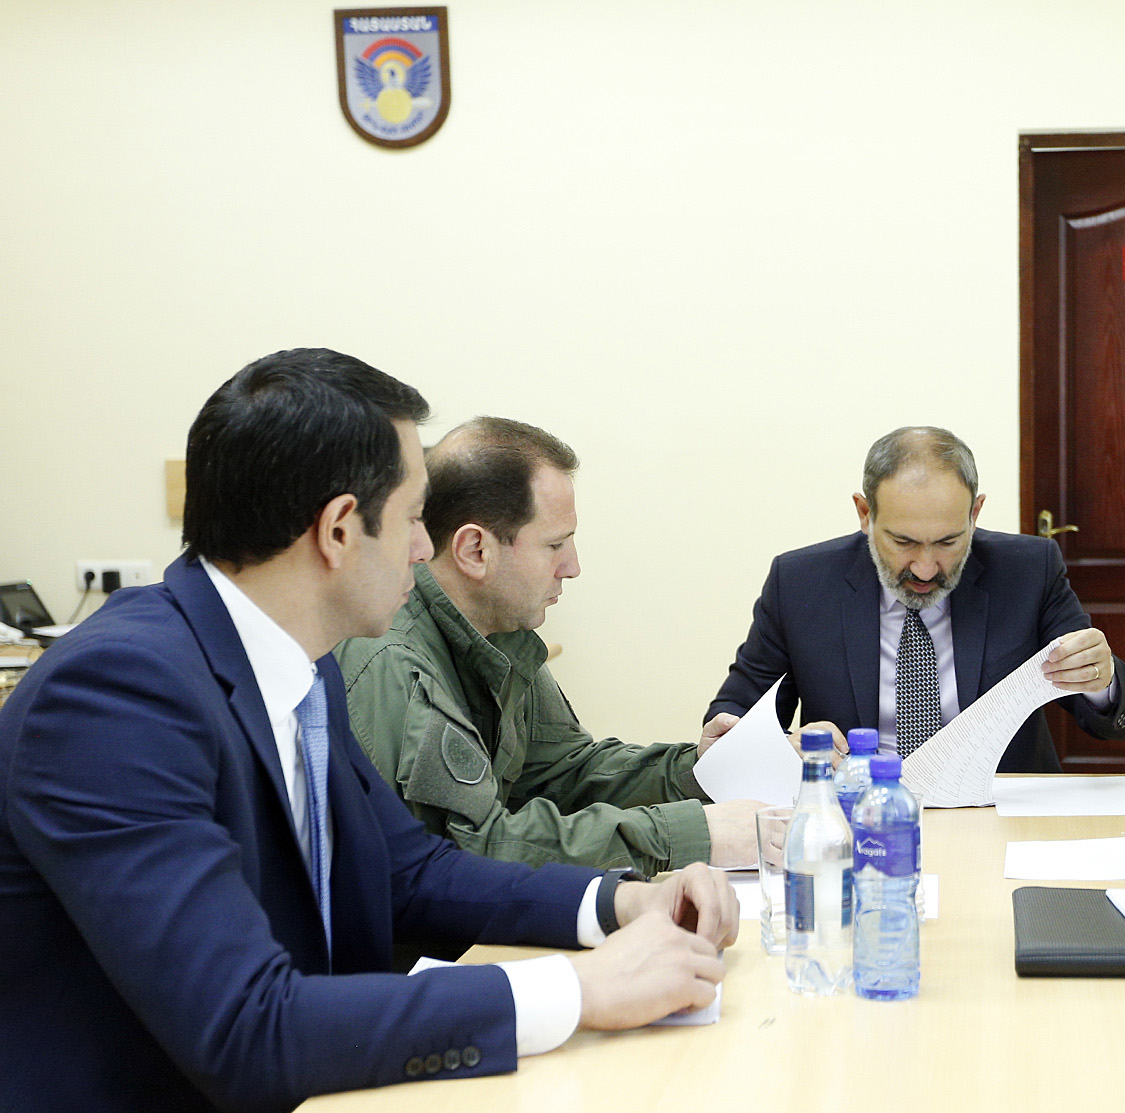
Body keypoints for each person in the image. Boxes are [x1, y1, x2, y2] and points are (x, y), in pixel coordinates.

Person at [0, 350, 739, 1113]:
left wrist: (622, 901)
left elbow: (411, 871)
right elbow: (247, 1027)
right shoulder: (115, 696)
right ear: (338, 530)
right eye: (415, 517)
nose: (424, 548)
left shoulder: (303, 663)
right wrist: (578, 988)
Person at [336, 416, 763, 874]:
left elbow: (563, 774)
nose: (573, 567)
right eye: (555, 545)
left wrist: (693, 768)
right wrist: (693, 834)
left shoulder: (500, 627)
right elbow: (471, 856)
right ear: (475, 550)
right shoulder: (393, 663)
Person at [708, 426, 1125, 773]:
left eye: (948, 542)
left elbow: (1115, 720)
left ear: (975, 513)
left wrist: (1100, 679)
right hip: (858, 810)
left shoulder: (1028, 570)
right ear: (865, 514)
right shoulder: (800, 583)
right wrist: (779, 750)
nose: (924, 568)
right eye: (903, 542)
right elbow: (735, 715)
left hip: (998, 810)